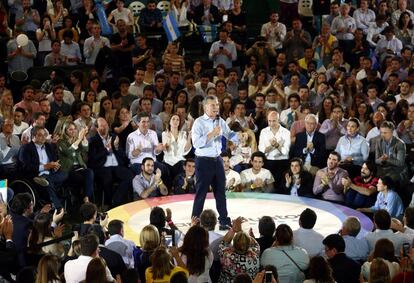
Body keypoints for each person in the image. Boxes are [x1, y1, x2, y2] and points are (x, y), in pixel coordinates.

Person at [191, 95, 245, 230]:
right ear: (205, 107)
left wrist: (238, 137)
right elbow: (196, 143)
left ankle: (224, 221)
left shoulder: (220, 121)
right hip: (203, 162)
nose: (216, 107)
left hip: (218, 160)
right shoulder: (198, 122)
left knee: (221, 192)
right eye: (212, 105)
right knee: (201, 193)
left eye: (217, 104)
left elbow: (229, 134)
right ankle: (195, 222)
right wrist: (212, 134)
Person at [18, 126, 67, 209]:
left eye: (45, 135)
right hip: (36, 175)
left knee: (65, 173)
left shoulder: (48, 146)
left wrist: (55, 165)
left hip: (50, 173)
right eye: (40, 135)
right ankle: (58, 207)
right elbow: (25, 166)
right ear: (33, 136)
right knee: (47, 181)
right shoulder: (26, 148)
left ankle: (51, 194)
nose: (44, 137)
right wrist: (44, 167)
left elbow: (55, 159)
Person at [88, 117, 133, 207]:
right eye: (101, 126)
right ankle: (110, 202)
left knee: (129, 175)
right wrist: (106, 150)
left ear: (108, 126)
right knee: (107, 177)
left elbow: (123, 155)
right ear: (97, 128)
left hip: (116, 165)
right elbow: (93, 159)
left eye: (105, 125)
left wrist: (116, 147)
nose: (104, 127)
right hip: (102, 167)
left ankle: (115, 200)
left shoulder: (114, 137)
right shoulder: (92, 140)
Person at [57, 121, 94, 204]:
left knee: (90, 172)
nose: (73, 131)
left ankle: (86, 198)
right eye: (70, 129)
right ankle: (84, 199)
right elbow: (69, 153)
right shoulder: (60, 142)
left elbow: (85, 149)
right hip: (68, 169)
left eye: (74, 129)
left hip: (79, 167)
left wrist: (83, 136)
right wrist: (79, 139)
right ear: (65, 131)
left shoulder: (76, 139)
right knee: (85, 179)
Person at [218, 217, 260, 282]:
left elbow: (224, 243)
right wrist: (240, 230)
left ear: (233, 244)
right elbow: (254, 243)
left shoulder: (227, 256)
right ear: (248, 245)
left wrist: (233, 229)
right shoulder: (255, 255)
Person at [258, 111, 291, 190]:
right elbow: (262, 151)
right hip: (268, 161)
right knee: (269, 187)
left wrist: (276, 145)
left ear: (278, 120)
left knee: (280, 187)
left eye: (274, 121)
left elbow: (285, 152)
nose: (271, 123)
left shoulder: (286, 132)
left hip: (282, 161)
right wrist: (276, 145)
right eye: (269, 121)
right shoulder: (264, 132)